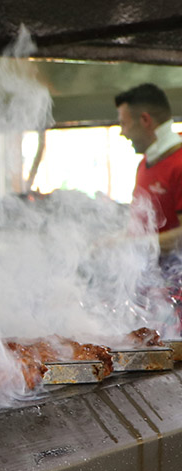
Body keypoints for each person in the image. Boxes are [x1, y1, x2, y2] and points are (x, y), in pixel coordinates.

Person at [116, 83, 182, 328]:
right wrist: (114, 242)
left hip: (176, 297)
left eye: (124, 123)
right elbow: (142, 227)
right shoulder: (145, 163)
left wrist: (134, 245)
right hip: (151, 294)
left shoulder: (180, 161)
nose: (122, 132)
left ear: (145, 119)